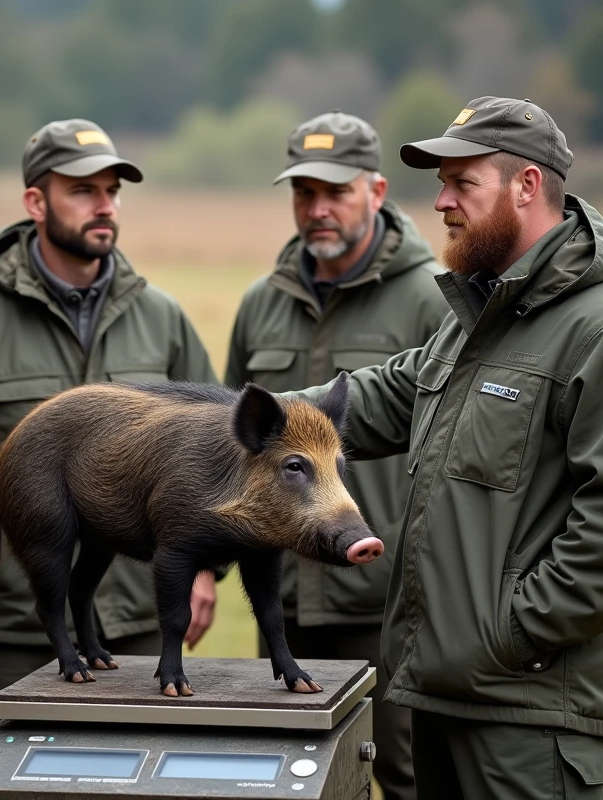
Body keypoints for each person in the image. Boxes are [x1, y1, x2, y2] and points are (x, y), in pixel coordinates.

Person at [292, 96, 603, 799]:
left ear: (527, 186)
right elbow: (379, 396)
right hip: (444, 698)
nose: (441, 201)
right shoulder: (480, 320)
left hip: (526, 720)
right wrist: (236, 424)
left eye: (461, 182)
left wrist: (506, 634)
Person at [0, 118, 220, 754]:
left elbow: (218, 454)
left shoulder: (162, 319)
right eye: (83, 190)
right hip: (18, 632)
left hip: (138, 623)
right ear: (35, 201)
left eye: (112, 190)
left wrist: (206, 570)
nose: (104, 205)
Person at [225, 110, 447, 800]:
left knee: (401, 774)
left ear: (376, 192)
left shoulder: (433, 300)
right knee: (291, 777)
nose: (317, 210)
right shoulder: (261, 304)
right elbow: (237, 453)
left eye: (336, 192)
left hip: (387, 605)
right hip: (285, 599)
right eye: (303, 193)